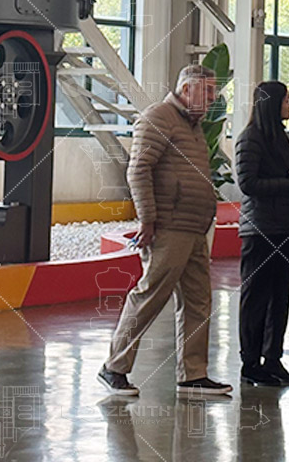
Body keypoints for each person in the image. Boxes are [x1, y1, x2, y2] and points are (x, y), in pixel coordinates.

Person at [99, 64, 233, 397]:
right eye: (208, 91)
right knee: (150, 296)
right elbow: (138, 169)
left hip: (194, 226)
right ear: (187, 89)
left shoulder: (193, 126)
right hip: (169, 227)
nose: (213, 98)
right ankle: (113, 367)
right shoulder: (158, 117)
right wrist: (147, 220)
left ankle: (193, 374)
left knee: (199, 301)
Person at [235, 80, 289, 387]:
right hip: (259, 229)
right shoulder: (250, 138)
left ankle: (273, 359)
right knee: (256, 297)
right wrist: (287, 185)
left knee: (280, 296)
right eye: (287, 100)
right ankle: (250, 363)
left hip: (282, 227)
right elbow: (248, 183)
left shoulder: (280, 137)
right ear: (271, 103)